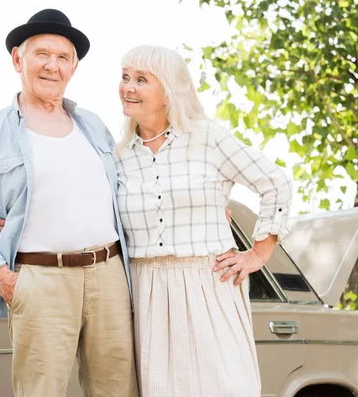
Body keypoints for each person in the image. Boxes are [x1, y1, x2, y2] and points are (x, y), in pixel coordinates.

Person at [0, 9, 137, 397]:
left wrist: (204, 201)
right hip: (40, 279)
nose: (52, 65)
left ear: (74, 67)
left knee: (114, 390)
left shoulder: (94, 126)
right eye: (41, 54)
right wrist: (2, 277)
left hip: (110, 275)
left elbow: (131, 188)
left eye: (63, 57)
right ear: (18, 59)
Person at [116, 45, 293, 396]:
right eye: (124, 78)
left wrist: (257, 254)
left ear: (168, 90)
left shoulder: (207, 138)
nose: (128, 88)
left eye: (141, 80)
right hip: (146, 291)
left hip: (208, 285)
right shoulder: (118, 155)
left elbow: (276, 183)